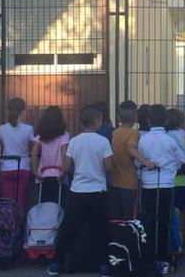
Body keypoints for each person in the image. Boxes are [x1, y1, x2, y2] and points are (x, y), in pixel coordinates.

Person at [49, 106, 114, 276]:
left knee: (68, 227)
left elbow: (67, 166)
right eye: (100, 119)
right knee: (101, 229)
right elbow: (109, 167)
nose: (101, 122)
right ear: (95, 122)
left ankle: (56, 263)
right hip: (98, 191)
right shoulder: (103, 142)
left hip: (77, 190)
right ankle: (103, 266)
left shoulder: (75, 141)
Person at [139, 105, 185, 275]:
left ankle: (148, 259)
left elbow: (138, 163)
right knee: (165, 223)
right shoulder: (171, 139)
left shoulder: (144, 139)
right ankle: (164, 260)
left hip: (147, 185)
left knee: (148, 222)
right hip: (167, 185)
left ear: (148, 120)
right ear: (166, 120)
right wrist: (173, 165)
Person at [108, 100, 152, 219]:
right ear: (135, 118)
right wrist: (146, 161)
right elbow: (130, 148)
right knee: (130, 219)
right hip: (129, 184)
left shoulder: (114, 133)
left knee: (116, 218)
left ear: (118, 118)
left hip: (113, 181)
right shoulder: (135, 134)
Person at [0, 97, 36, 208]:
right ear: (23, 111)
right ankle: (19, 224)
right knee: (20, 203)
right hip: (23, 167)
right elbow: (32, 148)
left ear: (8, 110)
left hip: (6, 167)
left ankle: (8, 223)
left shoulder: (1, 128)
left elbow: (0, 145)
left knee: (7, 203)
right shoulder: (29, 129)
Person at [31, 106, 70, 204]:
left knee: (43, 203)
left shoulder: (40, 135)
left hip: (43, 174)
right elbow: (64, 152)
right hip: (59, 174)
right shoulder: (64, 135)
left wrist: (35, 170)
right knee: (59, 204)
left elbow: (34, 152)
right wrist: (64, 171)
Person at [166, 107, 185, 251]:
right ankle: (181, 241)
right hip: (183, 179)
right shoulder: (184, 134)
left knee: (170, 212)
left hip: (168, 179)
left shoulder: (166, 134)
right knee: (182, 212)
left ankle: (171, 240)